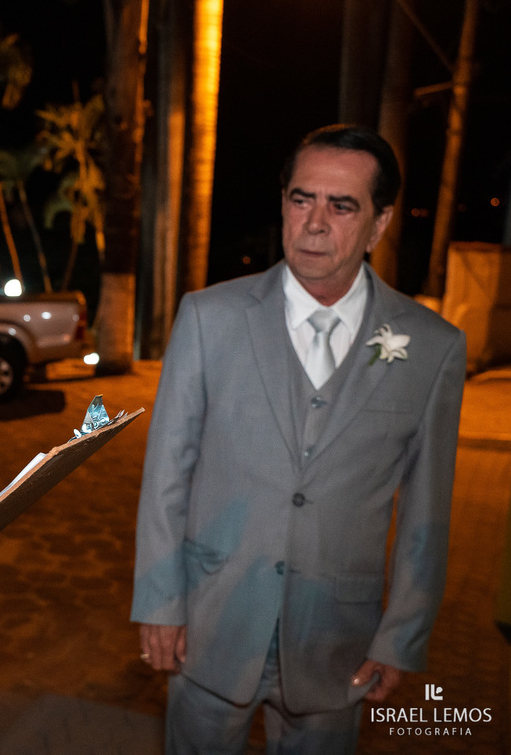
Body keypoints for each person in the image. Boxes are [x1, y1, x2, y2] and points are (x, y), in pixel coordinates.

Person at [131, 124, 466, 753]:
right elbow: (166, 474)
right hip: (211, 622)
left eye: (342, 206)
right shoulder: (208, 317)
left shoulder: (432, 347)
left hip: (339, 640)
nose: (314, 223)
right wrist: (159, 602)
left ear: (379, 223)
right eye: (301, 199)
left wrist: (401, 636)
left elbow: (427, 512)